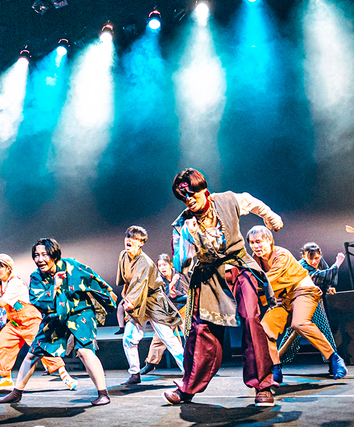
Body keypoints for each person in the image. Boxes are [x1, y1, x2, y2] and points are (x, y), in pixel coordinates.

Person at [163, 167, 280, 407]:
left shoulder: (226, 200)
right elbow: (180, 262)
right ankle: (187, 389)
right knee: (200, 329)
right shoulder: (183, 224)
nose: (188, 201)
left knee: (250, 318)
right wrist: (190, 238)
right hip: (207, 276)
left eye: (192, 195)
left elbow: (251, 201)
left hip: (239, 267)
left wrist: (270, 217)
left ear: (203, 190)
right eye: (183, 197)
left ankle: (263, 385)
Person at [0, 238, 117, 406]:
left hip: (80, 312)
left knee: (85, 351)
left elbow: (94, 280)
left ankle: (103, 394)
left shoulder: (71, 266)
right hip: (56, 315)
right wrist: (54, 287)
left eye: (44, 254)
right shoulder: (36, 277)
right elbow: (37, 301)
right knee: (33, 353)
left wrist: (109, 300)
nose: (39, 259)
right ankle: (16, 393)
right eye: (36, 255)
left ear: (55, 255)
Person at [247, 226, 347, 383]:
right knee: (265, 329)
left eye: (259, 242)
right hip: (282, 298)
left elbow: (267, 280)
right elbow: (260, 281)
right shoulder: (256, 259)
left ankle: (333, 357)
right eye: (252, 243)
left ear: (269, 240)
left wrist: (255, 289)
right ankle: (276, 367)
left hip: (303, 291)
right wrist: (271, 298)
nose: (255, 246)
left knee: (300, 323)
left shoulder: (281, 254)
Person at [0, 253, 77, 391]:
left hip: (29, 321)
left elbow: (2, 303)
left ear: (8, 268)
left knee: (43, 348)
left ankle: (65, 376)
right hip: (15, 322)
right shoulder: (4, 282)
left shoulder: (15, 282)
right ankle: (6, 379)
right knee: (1, 345)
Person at [117, 226, 184, 385]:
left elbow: (140, 284)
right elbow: (126, 280)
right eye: (128, 236)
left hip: (153, 301)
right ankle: (134, 373)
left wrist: (130, 302)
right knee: (128, 338)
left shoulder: (145, 262)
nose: (129, 240)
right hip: (136, 300)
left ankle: (189, 374)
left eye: (134, 238)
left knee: (168, 338)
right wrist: (125, 294)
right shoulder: (123, 255)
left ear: (140, 243)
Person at [278, 243, 344, 366]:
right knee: (292, 333)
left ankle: (333, 362)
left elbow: (325, 276)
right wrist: (338, 262)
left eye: (317, 258)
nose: (314, 261)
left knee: (323, 330)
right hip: (300, 300)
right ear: (303, 256)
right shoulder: (301, 266)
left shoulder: (320, 261)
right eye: (310, 258)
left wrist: (329, 287)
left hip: (314, 299)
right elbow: (321, 276)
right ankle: (277, 362)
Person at [141, 254, 190, 375]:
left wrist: (174, 285)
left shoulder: (180, 274)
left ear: (170, 265)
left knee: (189, 334)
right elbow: (162, 296)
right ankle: (151, 363)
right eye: (159, 265)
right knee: (159, 338)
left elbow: (185, 294)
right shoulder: (158, 279)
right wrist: (170, 285)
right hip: (168, 312)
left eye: (164, 264)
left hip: (183, 310)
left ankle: (195, 364)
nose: (162, 268)